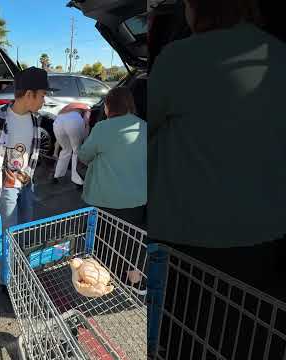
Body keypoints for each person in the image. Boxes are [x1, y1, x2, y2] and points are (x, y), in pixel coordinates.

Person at [147, 0, 286, 357]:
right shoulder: (278, 54)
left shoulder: (178, 58)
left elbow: (147, 132)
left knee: (185, 338)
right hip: (265, 237)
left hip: (190, 239)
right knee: (246, 335)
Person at [0, 67, 52, 232]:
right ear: (29, 94)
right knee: (8, 227)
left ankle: (19, 252)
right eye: (42, 95)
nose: (44, 101)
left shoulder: (35, 119)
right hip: (6, 185)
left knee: (26, 224)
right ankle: (8, 256)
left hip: (27, 181)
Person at [78, 87, 146, 228]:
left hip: (104, 202)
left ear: (108, 106)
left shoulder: (102, 127)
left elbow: (84, 156)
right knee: (126, 244)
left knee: (100, 244)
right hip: (136, 202)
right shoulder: (144, 126)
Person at [52, 102, 91, 187]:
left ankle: (57, 175)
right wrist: (85, 138)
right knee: (76, 151)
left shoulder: (66, 108)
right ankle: (78, 181)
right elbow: (86, 122)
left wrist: (55, 152)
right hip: (74, 121)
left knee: (65, 149)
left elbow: (57, 141)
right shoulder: (87, 107)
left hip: (58, 122)